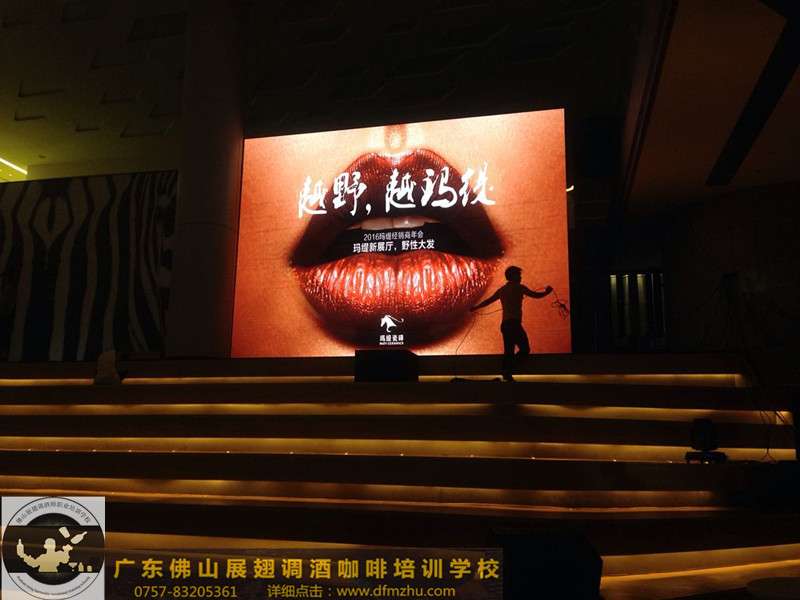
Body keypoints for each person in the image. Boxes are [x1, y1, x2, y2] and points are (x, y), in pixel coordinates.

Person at [470, 266, 552, 381]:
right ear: (513, 276)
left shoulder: (502, 290)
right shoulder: (519, 287)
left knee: (508, 351)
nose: (520, 277)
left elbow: (489, 300)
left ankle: (506, 371)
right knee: (524, 349)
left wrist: (476, 307)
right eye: (518, 275)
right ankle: (507, 370)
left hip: (505, 325)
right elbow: (535, 295)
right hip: (514, 323)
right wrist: (547, 292)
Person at [0, 271, 16, 360]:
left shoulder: (7, 289)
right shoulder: (9, 288)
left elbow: (4, 303)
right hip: (6, 314)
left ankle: (4, 353)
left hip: (5, 315)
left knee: (3, 334)